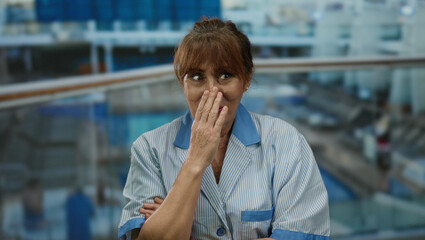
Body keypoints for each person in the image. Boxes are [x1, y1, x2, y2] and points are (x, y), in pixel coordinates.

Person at [118, 18, 330, 240]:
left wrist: (172, 216)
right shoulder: (149, 149)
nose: (212, 92)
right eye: (197, 77)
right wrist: (195, 161)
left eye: (226, 75)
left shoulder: (287, 142)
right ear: (184, 83)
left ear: (246, 79)